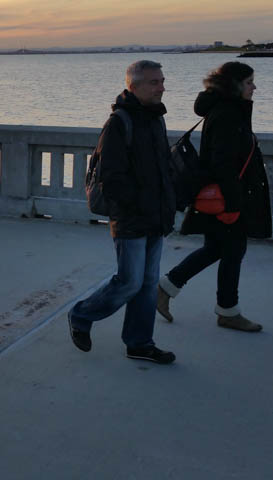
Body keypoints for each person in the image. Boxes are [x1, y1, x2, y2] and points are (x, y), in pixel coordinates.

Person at [68, 60, 177, 364]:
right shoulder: (119, 123)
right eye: (154, 82)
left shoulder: (156, 119)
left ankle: (139, 343)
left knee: (147, 284)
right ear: (134, 86)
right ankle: (81, 315)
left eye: (162, 81)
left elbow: (163, 169)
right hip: (131, 218)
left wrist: (168, 203)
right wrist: (136, 206)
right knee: (130, 282)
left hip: (156, 217)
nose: (162, 87)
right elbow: (111, 178)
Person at [156, 61, 272, 331]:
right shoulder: (227, 114)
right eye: (249, 82)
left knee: (219, 249)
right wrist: (232, 205)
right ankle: (227, 311)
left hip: (225, 196)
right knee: (231, 251)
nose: (254, 87)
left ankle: (167, 289)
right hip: (226, 199)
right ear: (234, 85)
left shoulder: (227, 109)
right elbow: (223, 164)